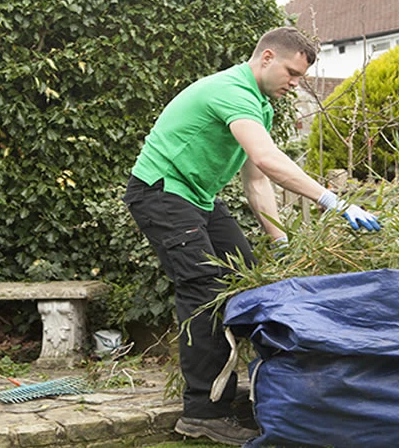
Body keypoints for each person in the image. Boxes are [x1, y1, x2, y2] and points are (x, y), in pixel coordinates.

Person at [122, 27, 381, 446]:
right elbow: (268, 159)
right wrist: (335, 202)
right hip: (161, 191)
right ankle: (203, 412)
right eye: (292, 72)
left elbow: (257, 179)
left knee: (249, 279)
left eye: (301, 76)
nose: (296, 82)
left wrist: (281, 243)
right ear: (265, 58)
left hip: (198, 198)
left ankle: (246, 387)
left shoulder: (260, 105)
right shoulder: (232, 91)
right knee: (205, 288)